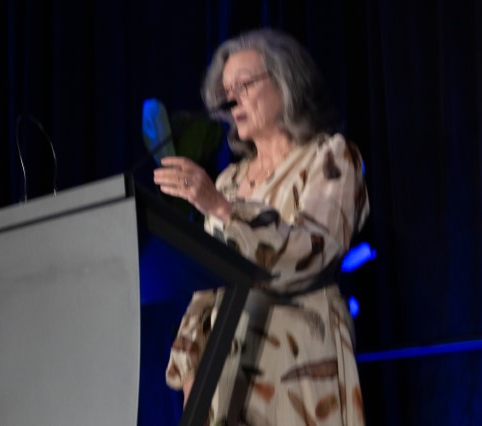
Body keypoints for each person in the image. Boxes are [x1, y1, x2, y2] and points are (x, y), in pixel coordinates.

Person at [153, 28, 369, 426]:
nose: (231, 98)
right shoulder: (228, 181)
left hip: (299, 368)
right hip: (225, 372)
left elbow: (314, 250)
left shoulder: (329, 157)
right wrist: (189, 369)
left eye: (244, 84)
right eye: (226, 90)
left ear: (286, 85)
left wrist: (223, 210)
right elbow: (207, 287)